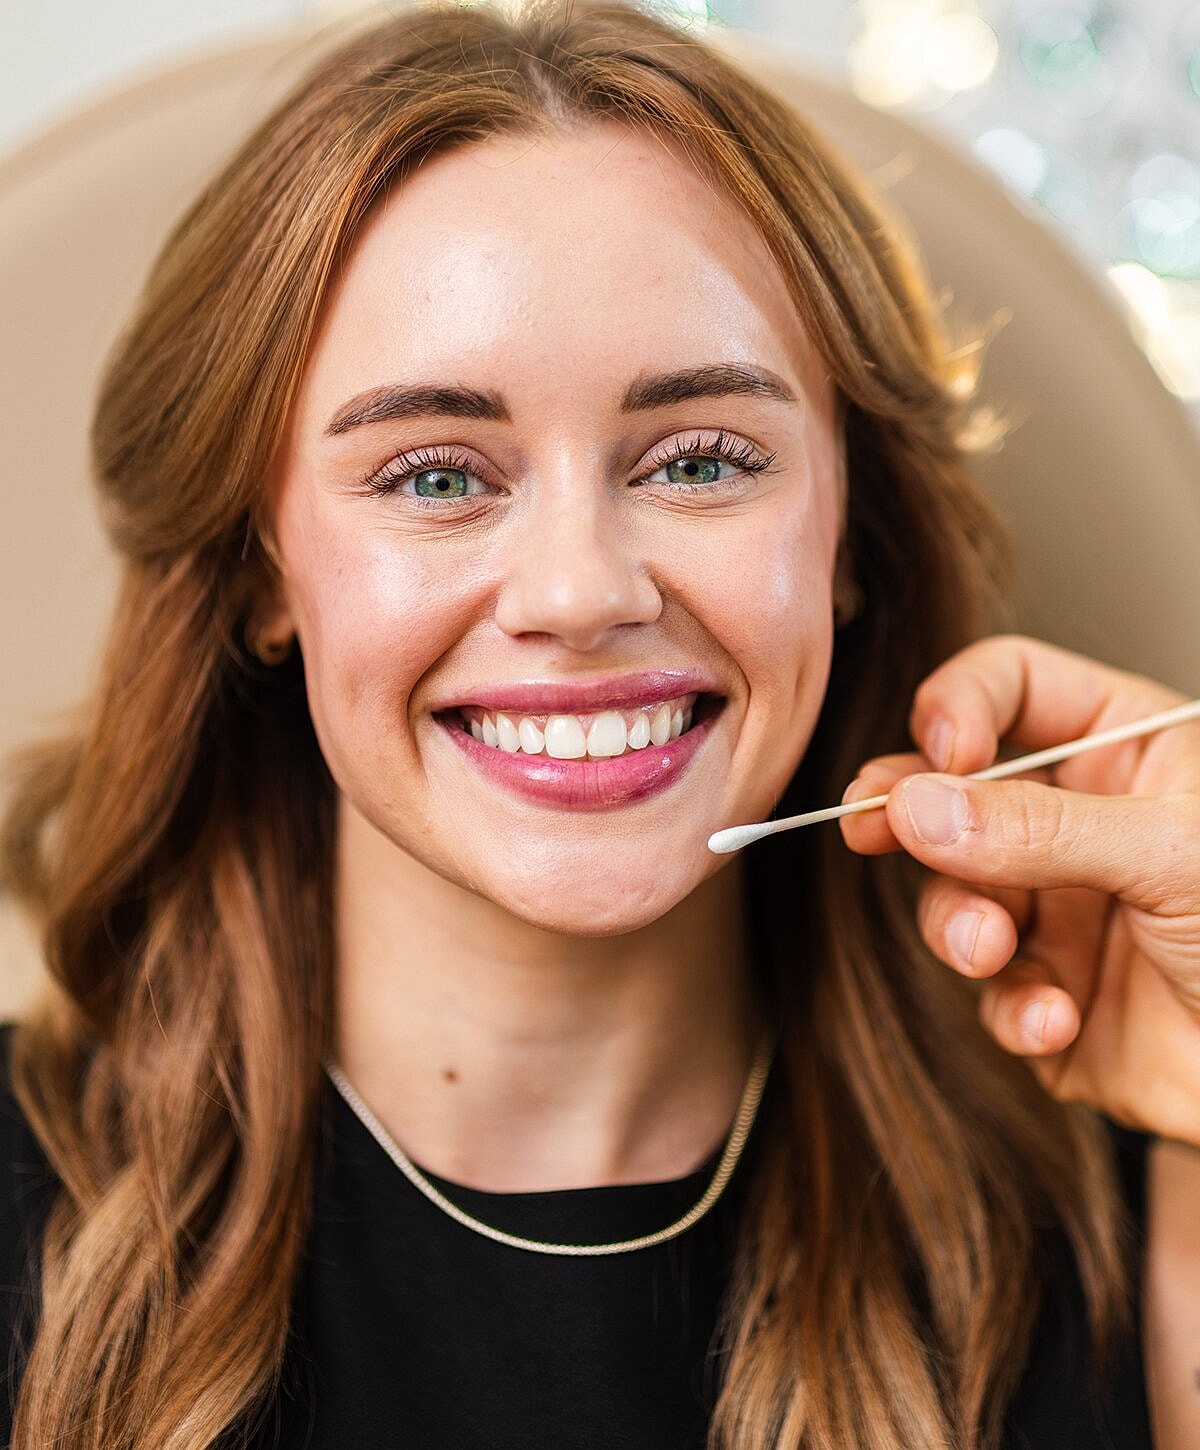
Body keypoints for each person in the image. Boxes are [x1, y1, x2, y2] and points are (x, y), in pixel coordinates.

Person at [1, 2, 1197, 1446]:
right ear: (264, 567)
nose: (579, 592)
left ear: (850, 536)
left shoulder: (1141, 1218)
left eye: (699, 458)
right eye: (437, 475)